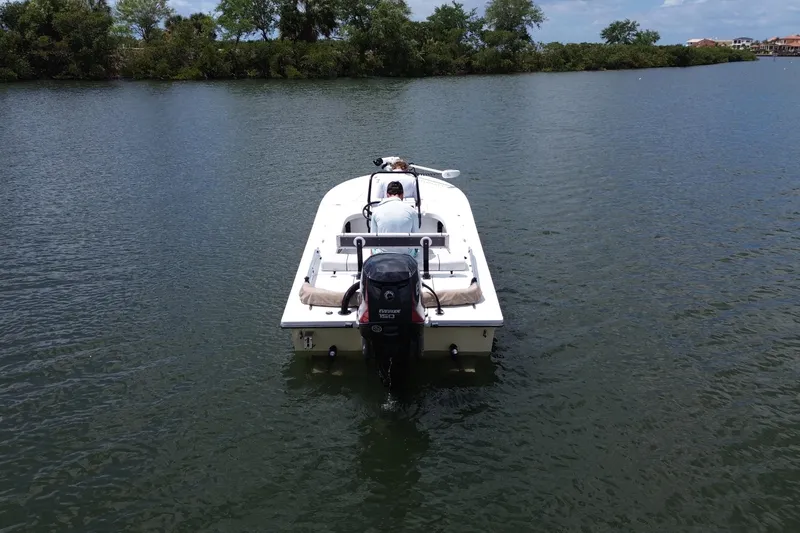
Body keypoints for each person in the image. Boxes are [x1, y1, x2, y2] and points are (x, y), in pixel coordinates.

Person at [371, 181, 419, 256]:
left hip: (381, 255)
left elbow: (372, 238)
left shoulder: (376, 211)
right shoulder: (412, 211)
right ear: (402, 194)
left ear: (387, 195)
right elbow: (416, 237)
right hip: (406, 255)